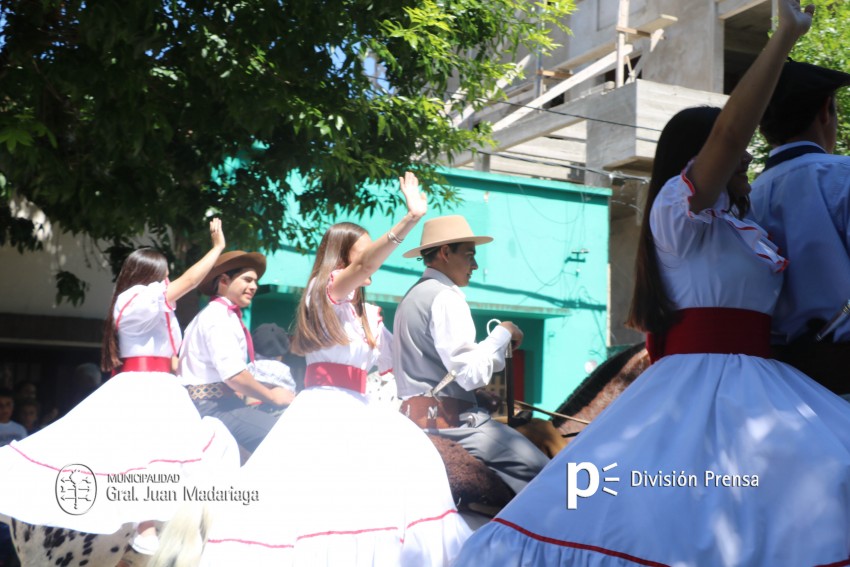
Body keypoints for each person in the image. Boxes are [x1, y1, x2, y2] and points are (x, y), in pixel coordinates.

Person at [454, 2, 850, 565]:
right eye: (726, 148)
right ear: (700, 156)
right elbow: (736, 127)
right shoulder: (678, 213)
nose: (741, 153)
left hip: (764, 382)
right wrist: (784, 36)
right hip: (699, 385)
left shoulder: (744, 219)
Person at [195, 172, 471, 565]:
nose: (369, 261)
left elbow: (401, 364)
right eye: (361, 255)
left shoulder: (367, 312)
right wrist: (410, 220)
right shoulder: (325, 290)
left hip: (362, 406)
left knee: (418, 467)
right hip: (326, 408)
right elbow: (362, 268)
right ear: (343, 260)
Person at [0, 218, 239, 541]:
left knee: (162, 455)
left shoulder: (148, 304)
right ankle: (144, 529)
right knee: (143, 453)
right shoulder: (137, 298)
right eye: (164, 273)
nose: (168, 279)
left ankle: (154, 530)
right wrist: (218, 249)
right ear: (149, 275)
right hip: (143, 386)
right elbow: (189, 282)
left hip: (161, 385)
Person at [392, 214, 549, 496]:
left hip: (414, 418)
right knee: (551, 474)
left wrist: (477, 395)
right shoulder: (445, 297)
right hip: (451, 425)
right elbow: (468, 373)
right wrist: (501, 333)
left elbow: (437, 371)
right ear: (444, 252)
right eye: (469, 255)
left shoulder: (412, 296)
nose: (474, 265)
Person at [749, 60, 850, 395]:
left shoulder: (744, 197)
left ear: (763, 129)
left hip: (773, 386)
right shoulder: (842, 176)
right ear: (825, 111)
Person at [178, 250, 291, 453]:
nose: (254, 287)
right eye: (247, 279)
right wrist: (272, 396)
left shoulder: (215, 315)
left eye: (255, 281)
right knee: (285, 438)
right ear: (224, 280)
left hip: (216, 404)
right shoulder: (218, 318)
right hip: (214, 407)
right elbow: (234, 376)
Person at [244, 323, 297, 410]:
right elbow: (290, 393)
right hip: (277, 410)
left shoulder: (250, 367)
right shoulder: (283, 370)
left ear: (252, 351)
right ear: (281, 355)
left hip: (252, 407)